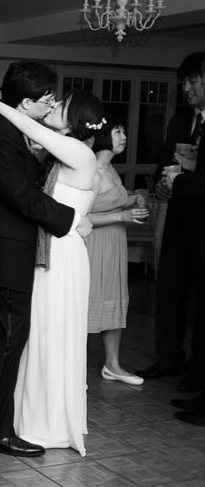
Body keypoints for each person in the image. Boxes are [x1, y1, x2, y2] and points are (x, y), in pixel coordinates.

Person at [0, 61, 79, 459]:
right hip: (4, 251)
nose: (51, 105)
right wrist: (70, 218)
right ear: (25, 102)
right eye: (46, 100)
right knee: (6, 342)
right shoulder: (2, 136)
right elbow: (20, 196)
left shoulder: (1, 126)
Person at [0, 86, 99, 456]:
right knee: (38, 335)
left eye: (60, 105)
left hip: (62, 254)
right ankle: (27, 418)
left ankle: (50, 424)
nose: (53, 106)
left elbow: (31, 128)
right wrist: (14, 96)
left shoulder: (79, 151)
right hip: (49, 249)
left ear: (75, 118)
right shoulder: (58, 150)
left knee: (54, 335)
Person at [138, 52, 205, 394]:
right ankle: (169, 356)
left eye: (193, 81)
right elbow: (164, 162)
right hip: (178, 218)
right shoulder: (180, 121)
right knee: (169, 290)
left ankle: (198, 368)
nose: (186, 87)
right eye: (183, 81)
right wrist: (162, 183)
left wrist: (179, 181)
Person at [86, 119, 148, 385]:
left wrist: (135, 198)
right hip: (95, 244)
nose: (124, 136)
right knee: (89, 300)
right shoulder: (93, 171)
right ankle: (71, 368)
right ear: (102, 135)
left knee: (114, 298)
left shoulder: (111, 167)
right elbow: (82, 216)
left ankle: (112, 365)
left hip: (115, 243)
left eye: (124, 131)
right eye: (118, 131)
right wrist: (122, 214)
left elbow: (113, 198)